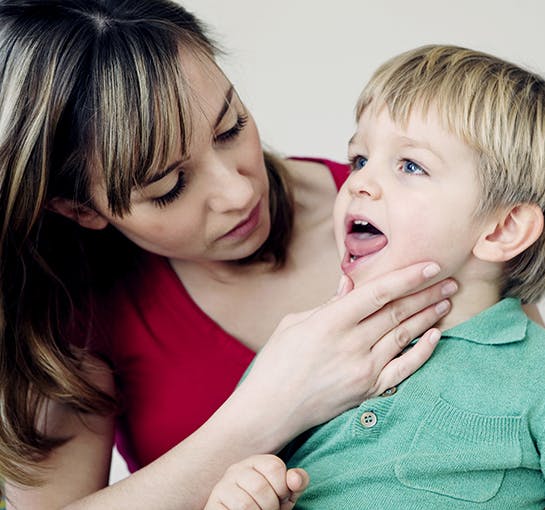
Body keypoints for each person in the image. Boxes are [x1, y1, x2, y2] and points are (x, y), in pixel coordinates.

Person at [0, 2, 484, 508]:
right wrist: (266, 412)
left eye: (230, 128)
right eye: (169, 186)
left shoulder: (415, 210)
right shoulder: (69, 317)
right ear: (79, 208)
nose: (237, 192)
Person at [212, 44, 545, 509]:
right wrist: (242, 491)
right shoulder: (299, 355)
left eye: (410, 165)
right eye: (360, 159)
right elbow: (236, 473)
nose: (357, 181)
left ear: (502, 230)